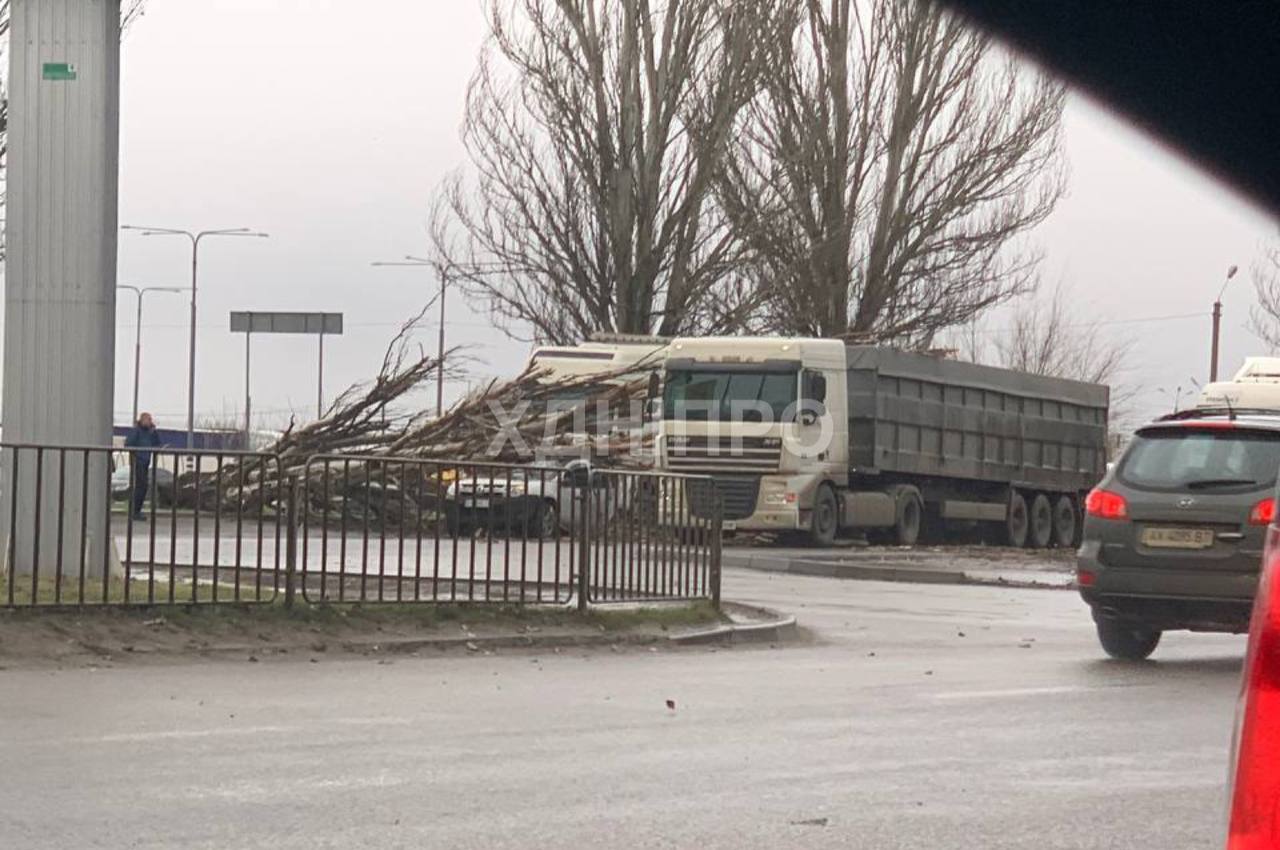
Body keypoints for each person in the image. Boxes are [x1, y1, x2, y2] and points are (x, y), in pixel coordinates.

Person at [124, 412, 163, 520]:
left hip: (146, 461)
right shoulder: (136, 431)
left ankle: (137, 510)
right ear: (142, 420)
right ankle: (134, 511)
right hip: (138, 460)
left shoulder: (150, 432)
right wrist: (136, 453)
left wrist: (154, 432)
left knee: (143, 486)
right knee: (140, 486)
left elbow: (157, 444)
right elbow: (128, 444)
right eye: (148, 420)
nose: (150, 422)